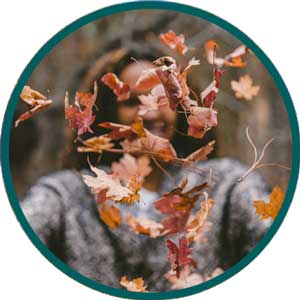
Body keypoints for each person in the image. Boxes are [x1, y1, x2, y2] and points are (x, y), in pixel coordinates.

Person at [20, 62, 271, 292]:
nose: (149, 114)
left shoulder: (227, 184)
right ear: (109, 112)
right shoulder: (66, 195)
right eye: (131, 102)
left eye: (161, 100)